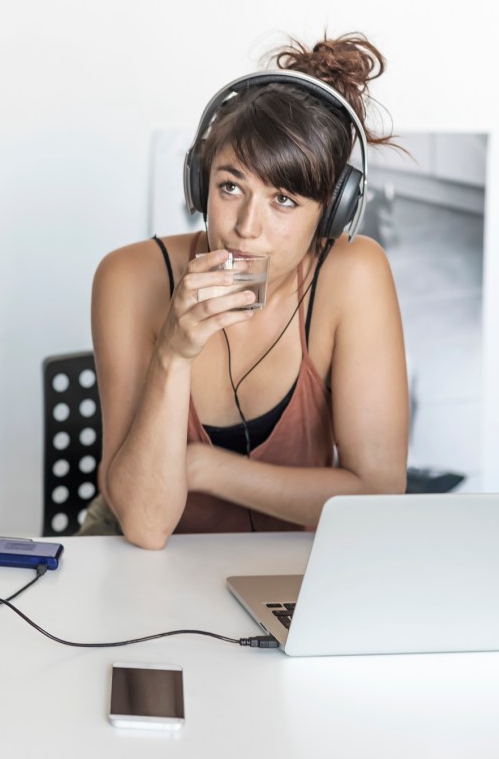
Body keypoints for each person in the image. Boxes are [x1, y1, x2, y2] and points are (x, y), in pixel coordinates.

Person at [79, 33, 409, 549]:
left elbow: (378, 493)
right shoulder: (128, 278)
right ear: (199, 184)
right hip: (143, 564)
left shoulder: (354, 275)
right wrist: (172, 354)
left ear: (333, 212)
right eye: (230, 187)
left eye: (283, 200)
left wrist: (203, 467)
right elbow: (144, 525)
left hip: (292, 570)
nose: (246, 228)